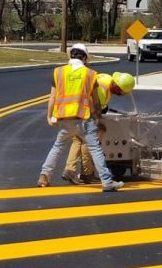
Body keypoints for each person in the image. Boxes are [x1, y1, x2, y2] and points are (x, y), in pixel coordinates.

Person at [37, 44, 124, 192]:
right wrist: (99, 120)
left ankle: (44, 176)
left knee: (57, 147)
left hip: (64, 118)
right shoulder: (91, 74)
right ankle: (107, 182)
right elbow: (96, 102)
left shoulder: (58, 72)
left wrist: (49, 116)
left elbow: (52, 97)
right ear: (84, 58)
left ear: (71, 56)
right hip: (83, 119)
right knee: (95, 148)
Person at [61, 72, 136, 184]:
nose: (120, 94)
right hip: (86, 112)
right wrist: (98, 122)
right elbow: (94, 106)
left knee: (77, 140)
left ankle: (70, 169)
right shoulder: (103, 89)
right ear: (117, 86)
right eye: (121, 92)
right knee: (88, 141)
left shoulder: (106, 79)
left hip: (76, 109)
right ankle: (87, 174)